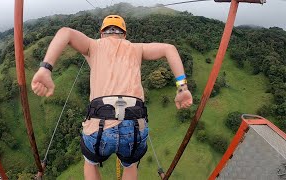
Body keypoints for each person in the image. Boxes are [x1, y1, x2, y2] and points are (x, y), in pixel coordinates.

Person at [31, 15, 193, 180]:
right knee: (130, 166)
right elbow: (169, 48)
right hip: (135, 123)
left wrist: (46, 68)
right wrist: (182, 88)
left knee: (90, 162)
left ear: (102, 33)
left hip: (99, 122)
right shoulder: (136, 48)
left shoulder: (93, 45)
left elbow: (66, 32)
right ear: (124, 34)